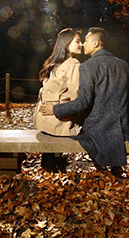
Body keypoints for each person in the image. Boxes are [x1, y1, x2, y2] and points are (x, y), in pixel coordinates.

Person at [40, 27, 129, 176]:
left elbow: (83, 102)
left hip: (100, 126)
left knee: (77, 130)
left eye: (86, 41)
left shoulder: (87, 67)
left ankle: (102, 166)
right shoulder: (123, 64)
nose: (83, 44)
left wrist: (55, 109)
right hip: (126, 123)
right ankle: (114, 167)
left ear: (95, 43)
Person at [34, 28, 86, 171]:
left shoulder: (52, 63)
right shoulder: (73, 64)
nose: (81, 44)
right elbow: (77, 97)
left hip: (43, 120)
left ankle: (50, 165)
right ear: (66, 44)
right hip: (59, 122)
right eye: (77, 41)